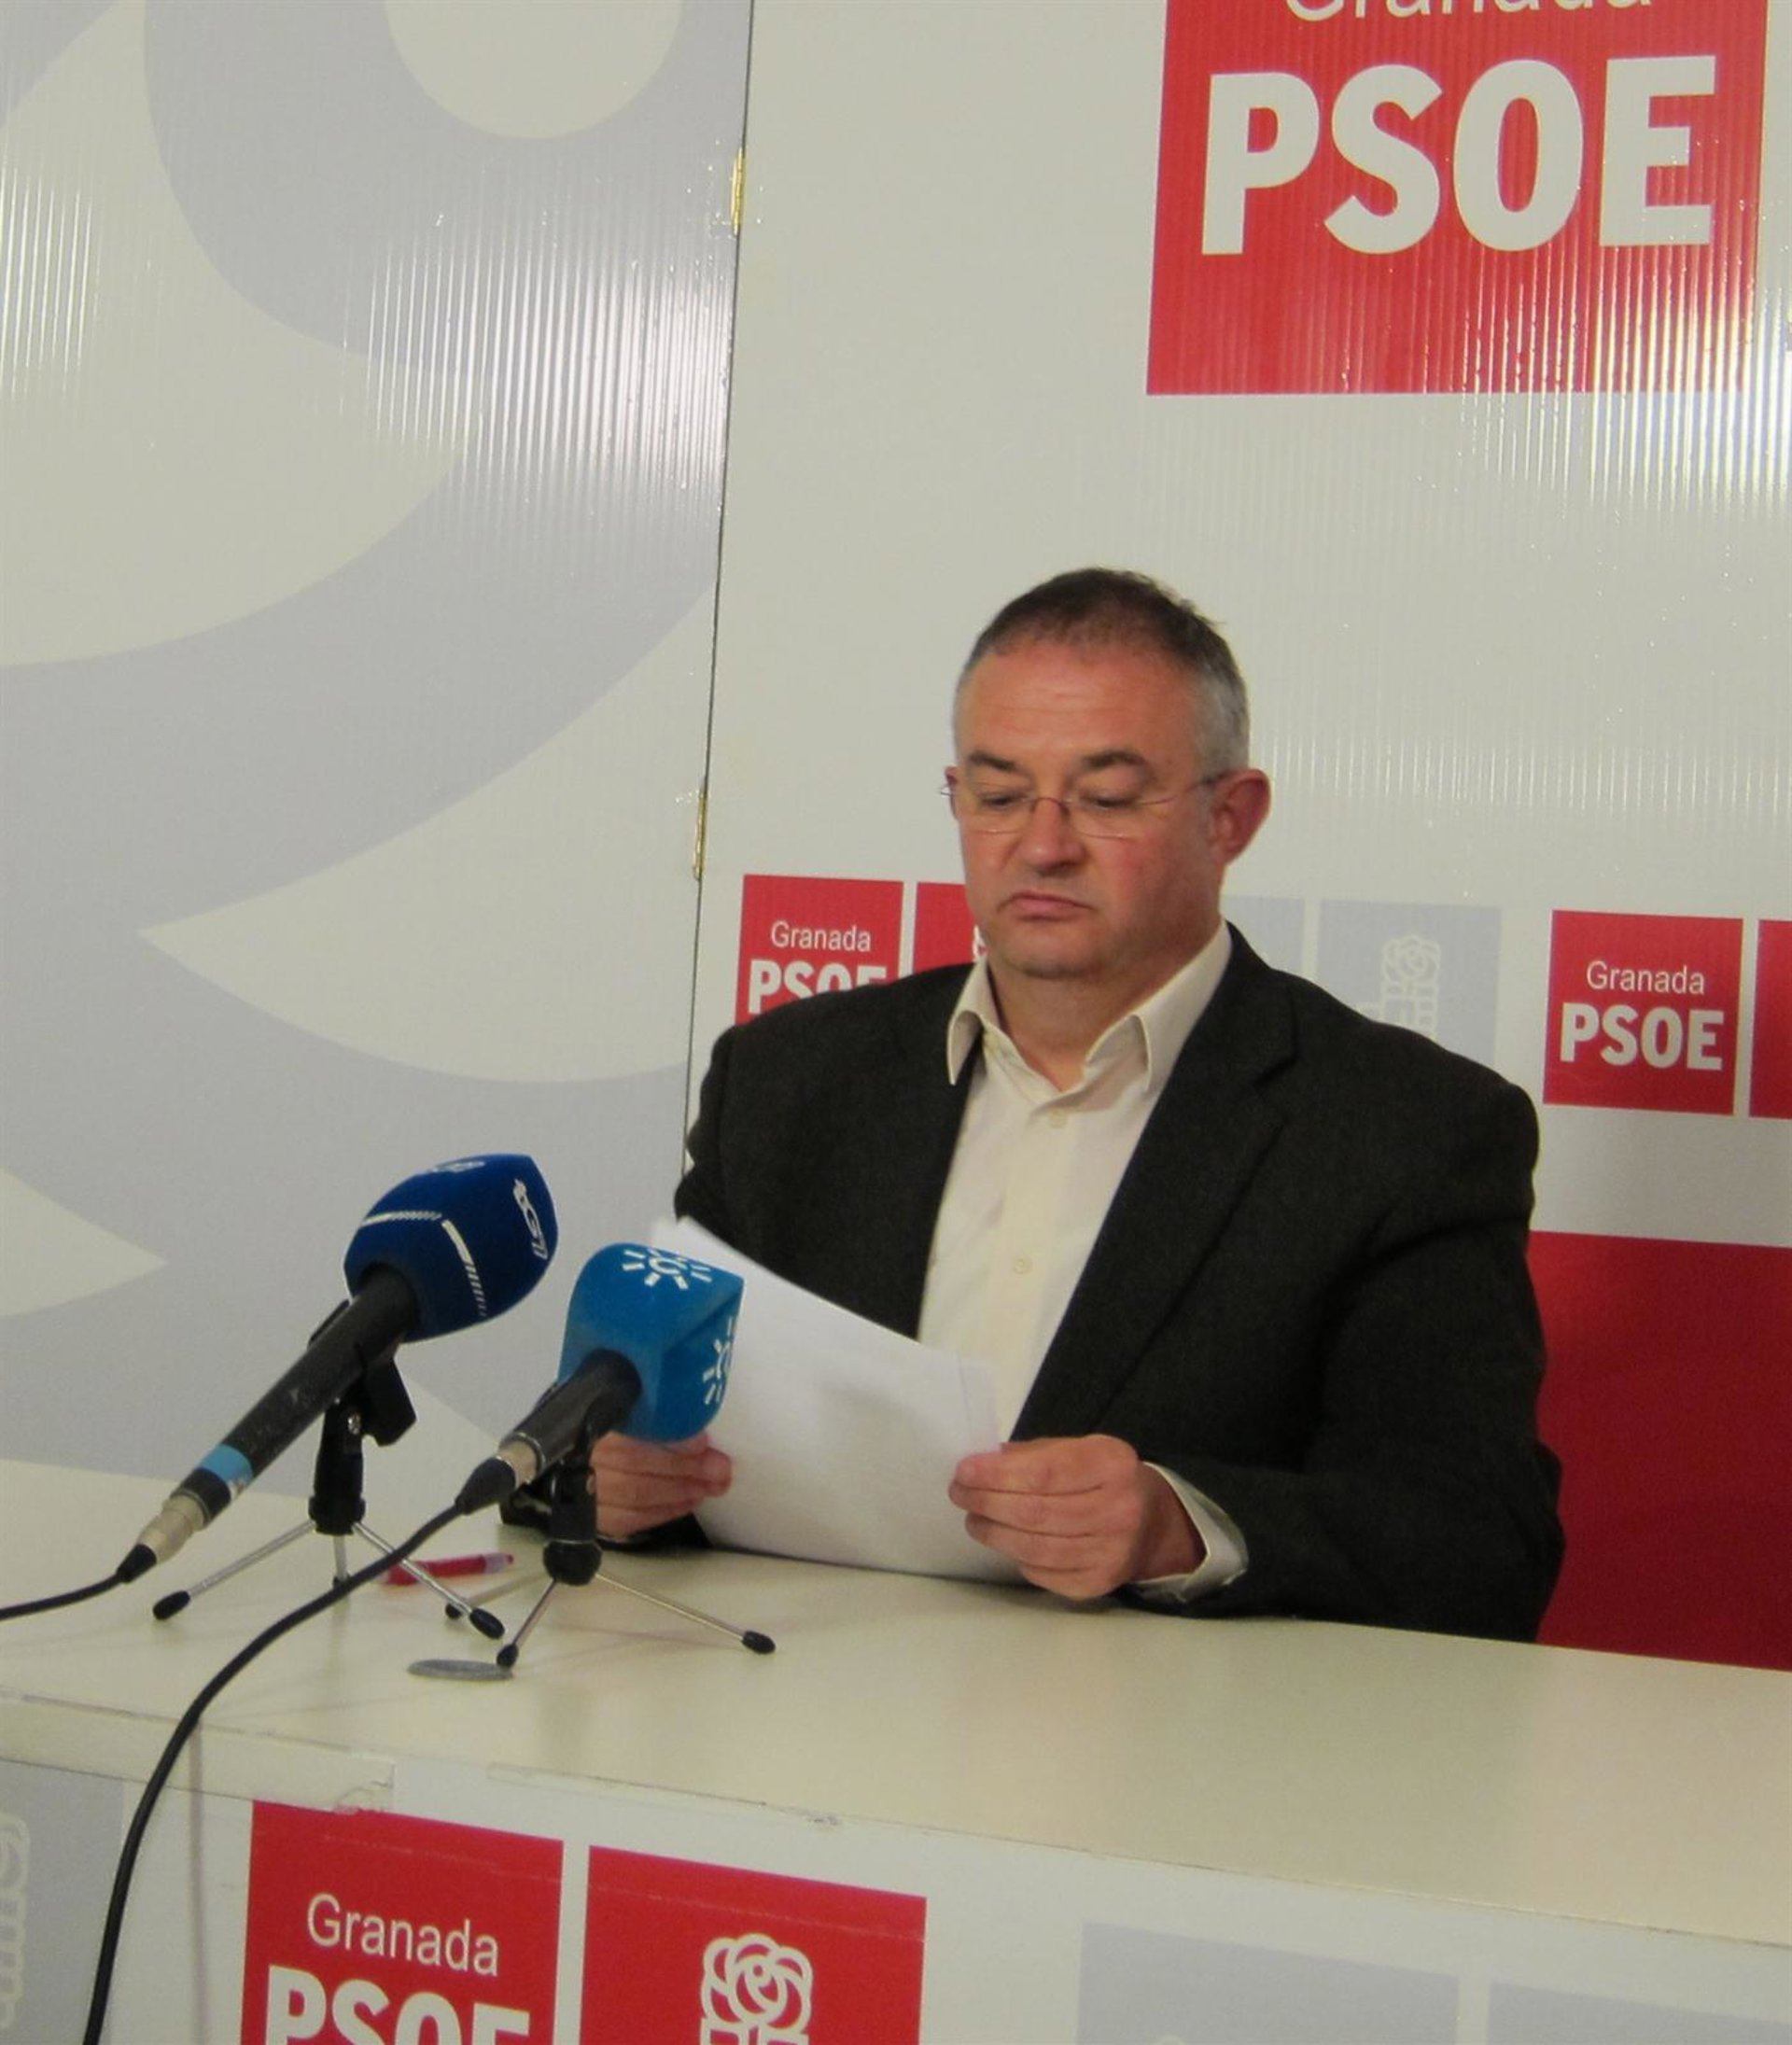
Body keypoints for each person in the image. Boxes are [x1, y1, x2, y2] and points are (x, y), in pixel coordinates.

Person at [594, 568, 1563, 1640]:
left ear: (1231, 816)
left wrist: (1181, 1527)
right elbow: (637, 1428)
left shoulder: (1404, 1129)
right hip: (803, 1706)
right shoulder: (788, 1083)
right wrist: (616, 1482)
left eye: (1105, 798)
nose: (1043, 845)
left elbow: (1482, 1541)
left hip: (1181, 1736)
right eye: (998, 795)